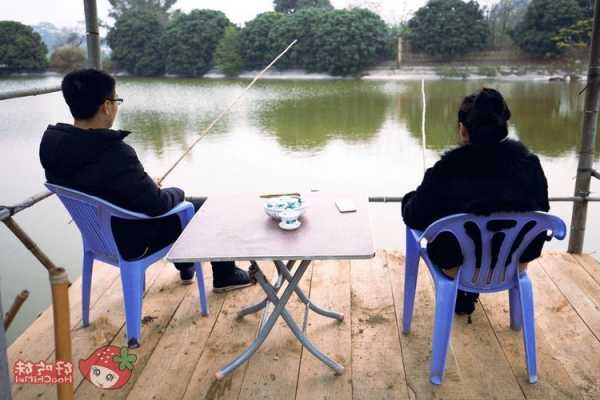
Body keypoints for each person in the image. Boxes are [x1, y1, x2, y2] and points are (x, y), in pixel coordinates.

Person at [40, 69, 253, 292]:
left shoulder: (53, 144)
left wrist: (144, 185)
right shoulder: (115, 152)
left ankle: (185, 264)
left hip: (98, 234)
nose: (116, 106)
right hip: (133, 238)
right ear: (106, 106)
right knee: (206, 207)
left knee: (174, 204)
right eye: (116, 100)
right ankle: (225, 275)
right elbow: (157, 205)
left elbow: (102, 181)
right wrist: (175, 191)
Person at [402, 88, 550, 315]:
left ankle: (463, 290)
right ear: (504, 126)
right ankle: (473, 297)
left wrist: (410, 198)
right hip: (514, 263)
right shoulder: (530, 165)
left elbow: (414, 216)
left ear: (463, 129)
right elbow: (543, 212)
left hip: (457, 266)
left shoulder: (447, 169)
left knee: (445, 229)